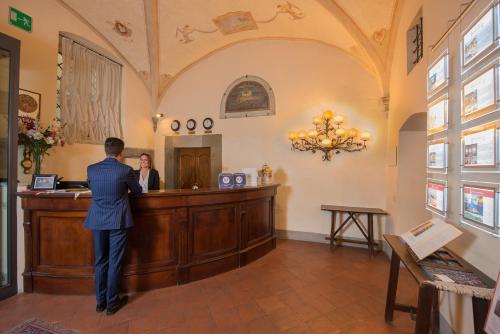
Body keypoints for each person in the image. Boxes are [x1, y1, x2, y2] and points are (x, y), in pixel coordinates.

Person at [84, 137, 142, 316]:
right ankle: (112, 303)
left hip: (97, 220)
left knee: (100, 261)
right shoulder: (125, 170)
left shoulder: (92, 169)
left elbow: (92, 187)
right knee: (115, 261)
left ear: (105, 150)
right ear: (121, 152)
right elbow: (138, 191)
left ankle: (100, 302)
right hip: (118, 220)